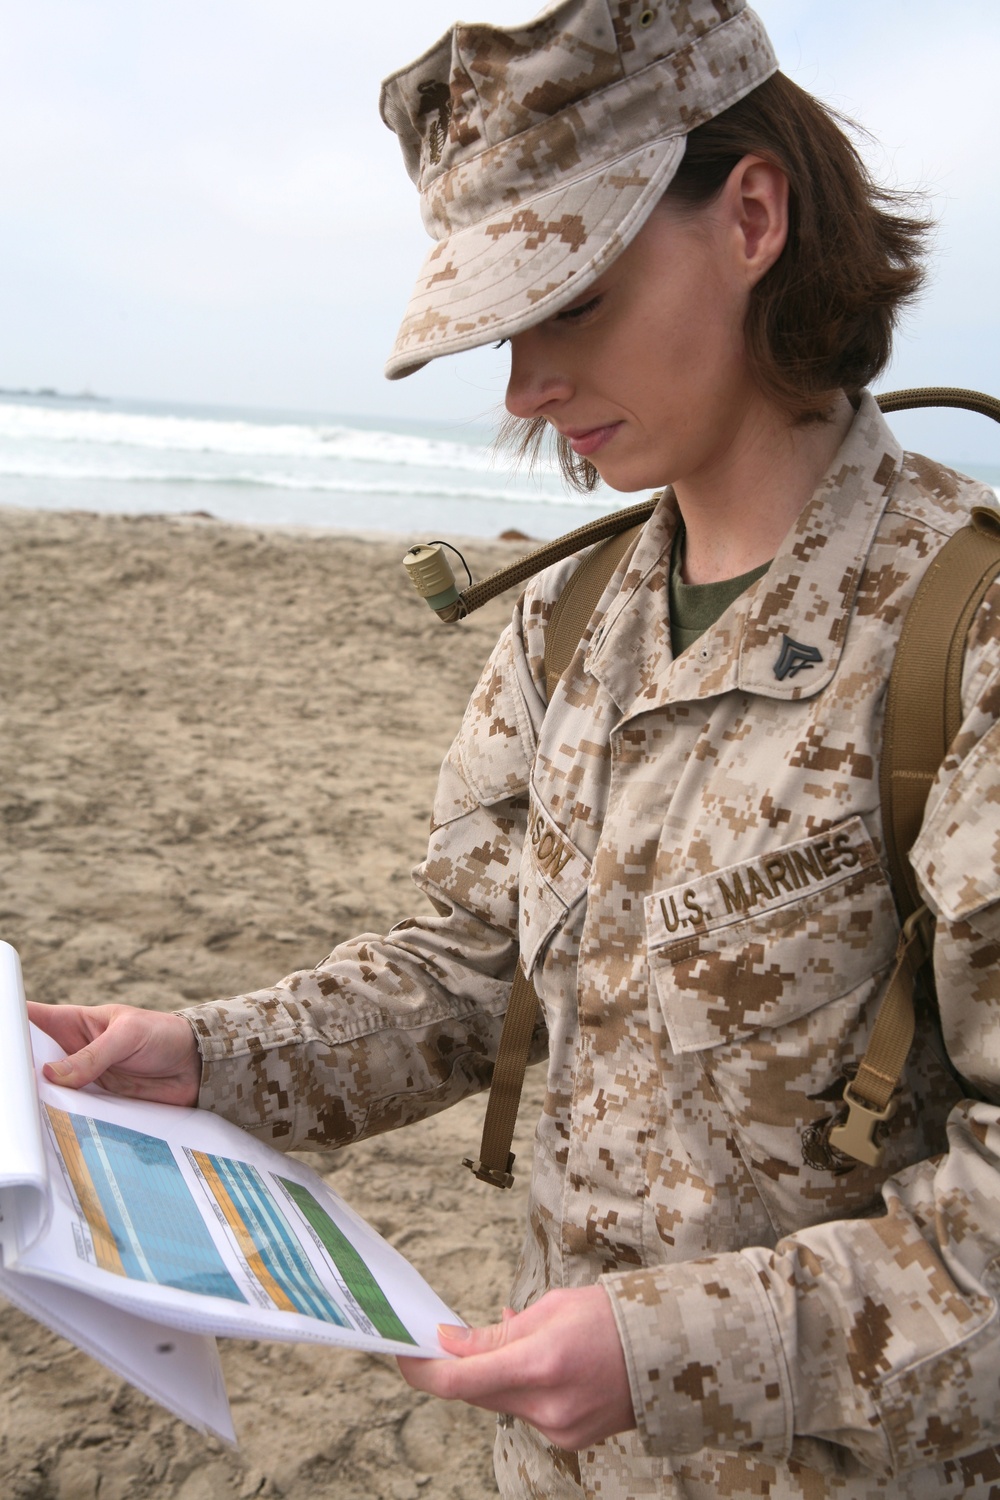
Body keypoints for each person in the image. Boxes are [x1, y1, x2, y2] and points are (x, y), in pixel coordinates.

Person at [29, 1, 1000, 1496]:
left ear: (751, 215)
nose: (526, 390)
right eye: (506, 325)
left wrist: (677, 1349)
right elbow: (473, 971)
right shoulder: (571, 616)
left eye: (575, 300)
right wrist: (213, 1058)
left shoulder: (967, 638)